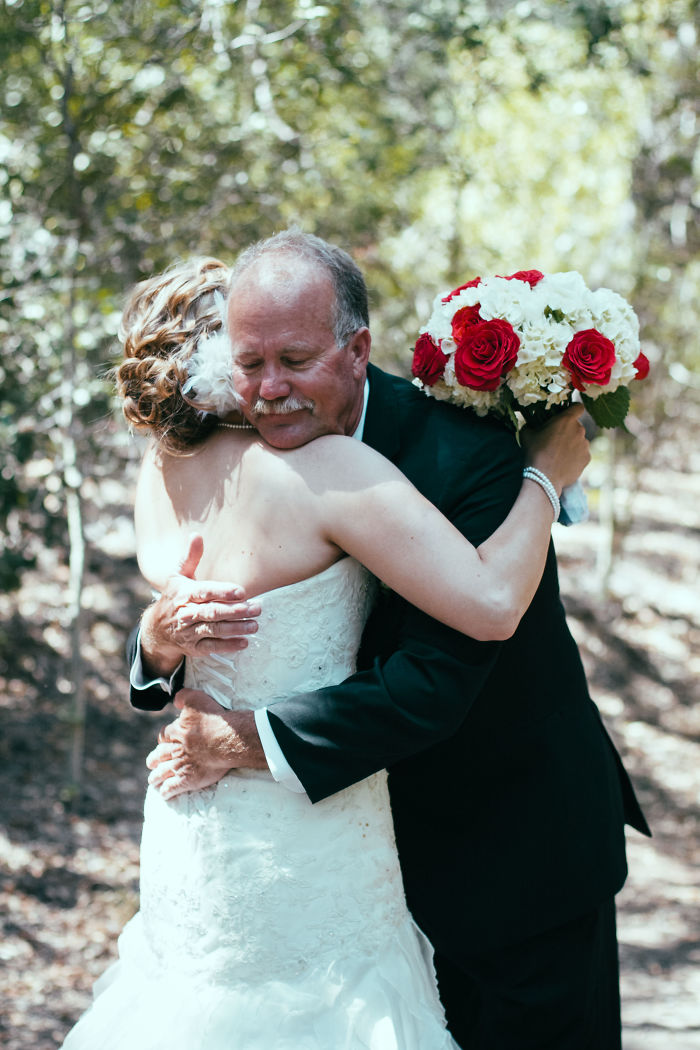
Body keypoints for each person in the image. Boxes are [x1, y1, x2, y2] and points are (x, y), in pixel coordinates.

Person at [61, 250, 590, 1050]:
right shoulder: (217, 467)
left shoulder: (464, 453)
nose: (271, 387)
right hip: (284, 850)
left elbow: (437, 676)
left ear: (357, 350)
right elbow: (182, 628)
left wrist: (541, 478)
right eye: (249, 362)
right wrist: (154, 643)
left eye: (295, 361)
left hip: (505, 848)